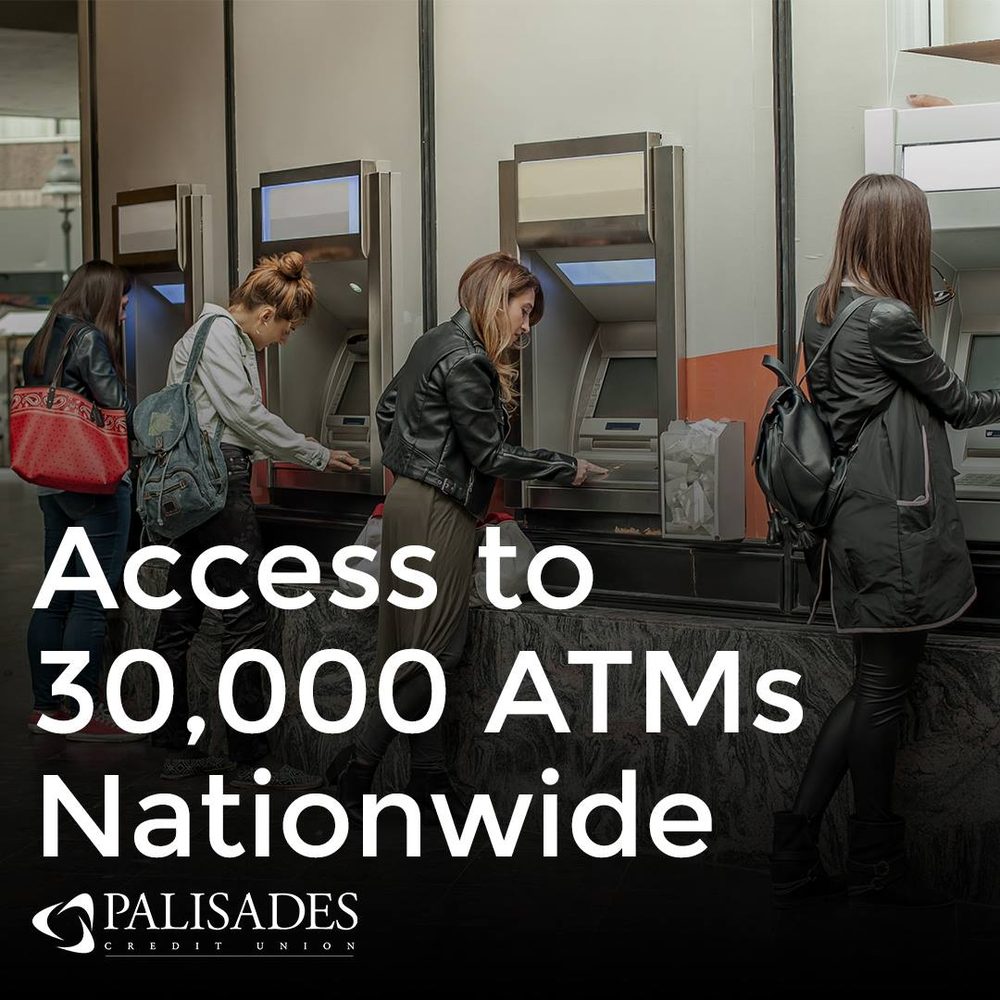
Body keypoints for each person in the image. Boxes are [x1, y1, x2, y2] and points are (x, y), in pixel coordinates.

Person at [770, 174, 1000, 908]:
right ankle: (866, 858)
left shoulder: (823, 305)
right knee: (879, 694)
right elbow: (961, 404)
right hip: (894, 529)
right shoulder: (889, 318)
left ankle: (801, 846)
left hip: (857, 520)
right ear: (904, 237)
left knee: (874, 686)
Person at [329, 251, 607, 820]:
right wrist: (567, 466)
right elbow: (489, 455)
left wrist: (414, 466)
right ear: (495, 300)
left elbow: (387, 409)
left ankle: (428, 775)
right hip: (439, 511)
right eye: (523, 311)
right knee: (436, 651)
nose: (525, 327)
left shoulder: (433, 341)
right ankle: (355, 767)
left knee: (411, 649)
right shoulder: (469, 360)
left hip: (408, 502)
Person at [151, 251, 358, 788]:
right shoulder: (221, 334)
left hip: (193, 487)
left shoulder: (209, 335)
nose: (284, 340)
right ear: (266, 315)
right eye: (286, 330)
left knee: (182, 613)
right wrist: (313, 452)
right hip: (217, 486)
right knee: (244, 619)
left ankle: (172, 743)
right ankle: (250, 758)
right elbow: (243, 415)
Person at [23, 260, 142, 742]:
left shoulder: (42, 338)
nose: (126, 307)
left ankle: (46, 707)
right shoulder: (88, 338)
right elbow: (116, 408)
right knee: (91, 602)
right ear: (102, 296)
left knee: (54, 598)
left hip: (52, 484)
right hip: (93, 486)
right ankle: (82, 712)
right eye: (123, 298)